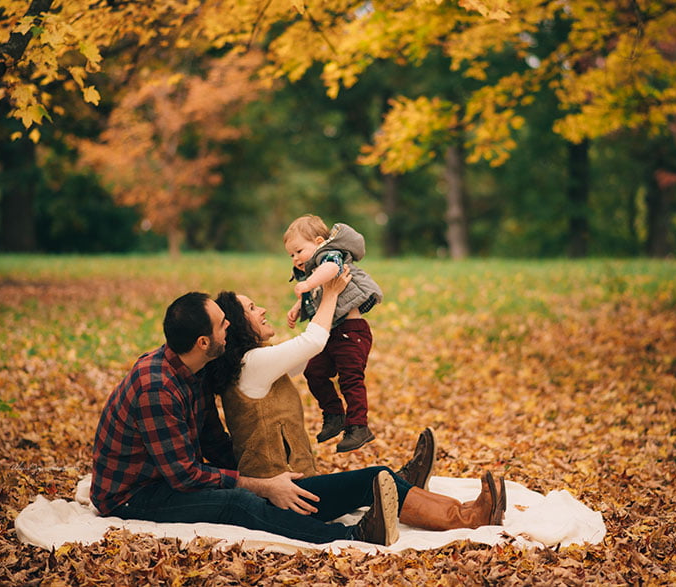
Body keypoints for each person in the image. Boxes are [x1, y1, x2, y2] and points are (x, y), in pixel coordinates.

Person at [90, 282, 505, 547]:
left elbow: (214, 443)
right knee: (236, 502)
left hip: (173, 476)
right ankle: (350, 534)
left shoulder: (192, 372)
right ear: (203, 341)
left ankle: (467, 514)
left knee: (353, 480)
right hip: (135, 496)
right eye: (222, 325)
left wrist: (270, 480)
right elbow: (183, 476)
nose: (229, 329)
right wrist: (261, 485)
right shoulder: (156, 386)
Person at [210, 277, 507, 536]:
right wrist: (331, 293)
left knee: (379, 481)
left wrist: (323, 304)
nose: (261, 310)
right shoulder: (252, 365)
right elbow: (312, 342)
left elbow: (311, 349)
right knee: (374, 478)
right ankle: (467, 518)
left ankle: (465, 510)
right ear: (238, 326)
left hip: (297, 489)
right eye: (251, 308)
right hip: (283, 498)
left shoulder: (256, 363)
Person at [284, 214, 383, 452]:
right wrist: (298, 307)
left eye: (299, 251)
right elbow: (317, 294)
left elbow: (330, 270)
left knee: (350, 379)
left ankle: (358, 426)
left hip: (351, 332)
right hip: (331, 334)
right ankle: (334, 414)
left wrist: (308, 284)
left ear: (319, 241)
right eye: (291, 255)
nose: (296, 258)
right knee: (314, 371)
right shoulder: (312, 270)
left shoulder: (329, 256)